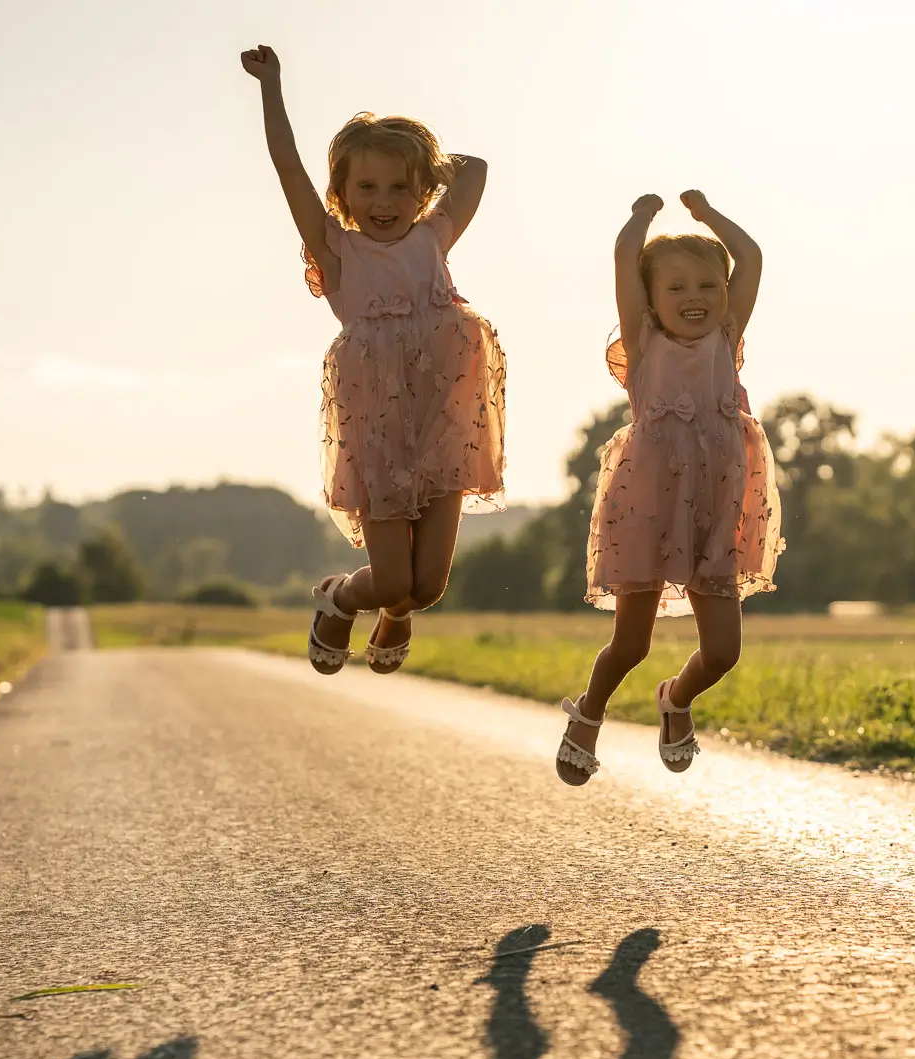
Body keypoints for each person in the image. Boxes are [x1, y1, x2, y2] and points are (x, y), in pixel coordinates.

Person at [242, 42, 506, 675]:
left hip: (445, 424)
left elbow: (475, 168)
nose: (383, 200)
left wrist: (421, 161)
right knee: (391, 579)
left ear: (422, 193)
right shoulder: (335, 250)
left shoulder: (432, 236)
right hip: (379, 430)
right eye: (366, 186)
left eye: (399, 187)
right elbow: (287, 166)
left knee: (427, 587)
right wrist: (271, 87)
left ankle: (397, 616)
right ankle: (339, 598)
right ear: (341, 192)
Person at [555, 192, 782, 785]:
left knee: (724, 652)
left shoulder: (726, 339)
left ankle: (675, 699)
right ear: (651, 301)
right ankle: (589, 712)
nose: (693, 297)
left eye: (707, 285)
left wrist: (707, 215)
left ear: (724, 295)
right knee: (630, 644)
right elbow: (624, 257)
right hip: (648, 507)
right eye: (675, 287)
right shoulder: (644, 343)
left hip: (716, 510)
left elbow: (751, 257)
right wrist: (641, 217)